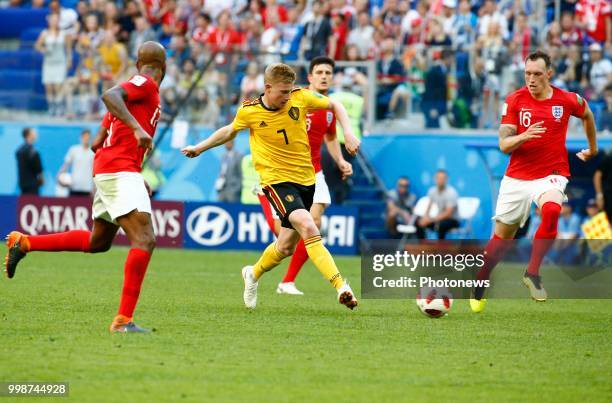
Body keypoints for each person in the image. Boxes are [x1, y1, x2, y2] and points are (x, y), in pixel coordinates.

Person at [5, 42, 167, 333]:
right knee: (145, 239)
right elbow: (110, 95)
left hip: (115, 167)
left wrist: (114, 147)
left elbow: (105, 129)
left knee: (98, 242)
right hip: (117, 168)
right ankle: (123, 320)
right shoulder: (145, 84)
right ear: (162, 68)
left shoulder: (137, 93)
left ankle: (25, 242)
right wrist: (136, 130)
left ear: (136, 62)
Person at [182, 63, 361, 310]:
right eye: (282, 92)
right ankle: (341, 286)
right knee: (309, 225)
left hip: (306, 180)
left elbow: (336, 105)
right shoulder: (250, 111)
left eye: (289, 91)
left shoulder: (301, 97)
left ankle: (252, 274)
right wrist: (199, 147)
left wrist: (348, 133)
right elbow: (229, 131)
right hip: (276, 181)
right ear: (267, 88)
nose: (287, 97)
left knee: (286, 246)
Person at [471, 50, 598, 313]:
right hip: (517, 177)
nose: (531, 79)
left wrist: (593, 148)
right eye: (527, 73)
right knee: (500, 241)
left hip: (552, 173)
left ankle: (532, 273)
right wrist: (524, 136)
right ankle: (481, 279)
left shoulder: (565, 100)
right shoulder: (515, 101)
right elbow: (504, 144)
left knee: (552, 210)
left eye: (537, 74)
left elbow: (587, 114)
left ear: (549, 74)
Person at [276, 56, 354, 295]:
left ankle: (287, 281)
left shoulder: (328, 108)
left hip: (314, 171)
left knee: (314, 222)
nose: (323, 76)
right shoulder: (296, 100)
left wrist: (340, 160)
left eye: (328, 73)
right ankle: (259, 273)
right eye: (319, 72)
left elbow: (330, 137)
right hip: (287, 172)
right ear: (309, 77)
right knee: (284, 241)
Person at [35, 12, 73, 117]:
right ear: (49, 21)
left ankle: (58, 106)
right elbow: (37, 45)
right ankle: (51, 107)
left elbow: (68, 48)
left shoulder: (64, 34)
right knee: (48, 86)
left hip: (60, 62)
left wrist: (69, 60)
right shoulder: (44, 33)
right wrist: (43, 50)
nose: (54, 22)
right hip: (48, 63)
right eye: (52, 20)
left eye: (56, 20)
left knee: (58, 85)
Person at [416, 170, 460, 239]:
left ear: (446, 180)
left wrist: (431, 220)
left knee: (441, 225)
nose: (440, 180)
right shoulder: (432, 191)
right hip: (438, 219)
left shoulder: (451, 193)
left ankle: (441, 247)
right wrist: (425, 218)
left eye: (443, 178)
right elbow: (429, 206)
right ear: (434, 179)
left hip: (452, 220)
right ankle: (423, 245)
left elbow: (448, 214)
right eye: (438, 178)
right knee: (418, 222)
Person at [58, 129, 94, 196]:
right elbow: (66, 165)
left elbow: (95, 170)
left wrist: (94, 187)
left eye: (88, 137)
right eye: (85, 137)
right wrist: (59, 175)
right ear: (81, 137)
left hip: (87, 187)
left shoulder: (93, 152)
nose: (86, 139)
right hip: (74, 186)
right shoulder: (74, 150)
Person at [15, 128, 44, 195]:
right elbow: (39, 169)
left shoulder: (19, 151)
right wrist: (42, 178)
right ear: (29, 135)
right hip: (32, 185)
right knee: (31, 203)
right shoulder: (33, 152)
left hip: (23, 184)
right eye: (34, 133)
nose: (36, 135)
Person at [594, 149, 612, 222]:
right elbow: (597, 176)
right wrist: (599, 195)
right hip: (608, 196)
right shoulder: (609, 159)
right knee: (606, 219)